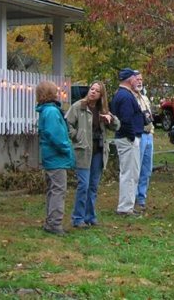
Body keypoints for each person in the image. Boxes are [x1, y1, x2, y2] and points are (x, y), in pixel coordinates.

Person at [65, 80, 119, 228]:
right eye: (91, 89)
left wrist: (110, 119)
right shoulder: (79, 107)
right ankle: (78, 218)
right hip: (84, 151)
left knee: (93, 186)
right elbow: (67, 123)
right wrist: (76, 136)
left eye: (96, 90)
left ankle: (90, 216)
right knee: (84, 184)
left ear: (101, 95)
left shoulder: (103, 110)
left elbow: (117, 126)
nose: (93, 91)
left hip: (99, 152)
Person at [36, 80, 75, 235]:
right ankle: (55, 223)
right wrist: (67, 148)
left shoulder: (46, 111)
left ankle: (50, 221)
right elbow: (56, 136)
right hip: (56, 157)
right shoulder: (51, 112)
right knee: (59, 190)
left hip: (51, 156)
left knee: (53, 190)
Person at [110, 67, 144, 216]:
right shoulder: (125, 97)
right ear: (129, 79)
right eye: (135, 78)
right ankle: (125, 207)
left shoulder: (122, 94)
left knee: (130, 173)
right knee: (130, 174)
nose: (137, 80)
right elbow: (126, 120)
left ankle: (127, 205)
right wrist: (132, 136)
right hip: (128, 139)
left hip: (126, 138)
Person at [135, 76, 155, 212]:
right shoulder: (130, 98)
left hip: (149, 136)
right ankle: (133, 197)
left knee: (147, 169)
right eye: (137, 79)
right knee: (137, 167)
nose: (140, 81)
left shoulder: (144, 98)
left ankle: (142, 197)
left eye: (141, 79)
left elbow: (149, 116)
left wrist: (152, 131)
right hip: (139, 135)